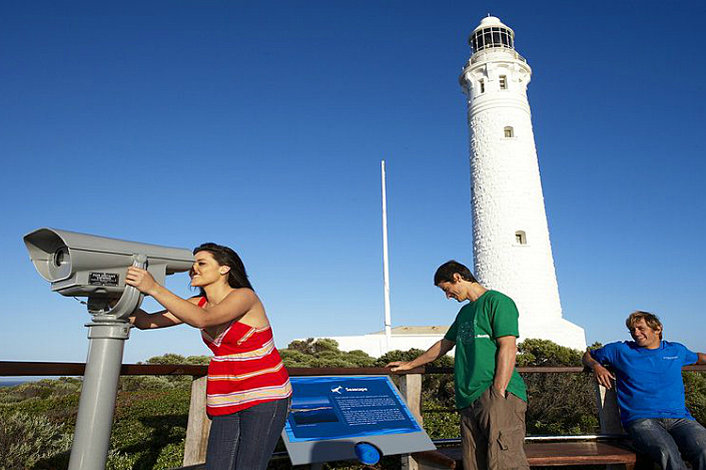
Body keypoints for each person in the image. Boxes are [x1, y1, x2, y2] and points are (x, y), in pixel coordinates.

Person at [127, 243, 292, 470]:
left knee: (249, 466)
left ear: (224, 269)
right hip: (226, 394)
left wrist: (154, 288)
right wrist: (112, 298)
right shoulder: (197, 303)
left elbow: (203, 319)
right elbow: (145, 322)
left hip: (265, 394)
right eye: (192, 264)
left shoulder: (244, 297)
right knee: (217, 466)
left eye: (201, 263)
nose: (193, 269)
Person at [387, 260, 529, 470]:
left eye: (447, 289)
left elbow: (508, 346)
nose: (447, 296)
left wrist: (498, 390)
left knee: (504, 462)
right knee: (474, 463)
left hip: (495, 394)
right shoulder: (464, 312)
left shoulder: (497, 301)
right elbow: (445, 344)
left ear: (457, 277)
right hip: (468, 398)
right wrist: (410, 364)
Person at [583, 311, 706, 470]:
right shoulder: (620, 350)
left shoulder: (676, 350)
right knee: (667, 453)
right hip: (641, 419)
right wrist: (596, 366)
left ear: (658, 329)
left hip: (679, 418)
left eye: (641, 328)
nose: (636, 333)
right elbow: (587, 356)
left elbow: (697, 357)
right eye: (632, 330)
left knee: (703, 448)